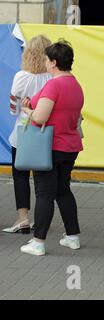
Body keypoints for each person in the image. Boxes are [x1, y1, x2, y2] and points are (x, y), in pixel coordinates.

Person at [19, 40, 84, 256]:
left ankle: (38, 241)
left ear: (54, 62)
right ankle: (72, 236)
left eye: (47, 59)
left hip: (50, 146)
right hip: (70, 145)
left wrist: (27, 110)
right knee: (63, 190)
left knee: (45, 193)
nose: (45, 62)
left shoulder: (53, 85)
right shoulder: (75, 84)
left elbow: (40, 117)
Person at [2, 35, 52, 235]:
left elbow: (13, 108)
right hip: (46, 131)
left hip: (22, 131)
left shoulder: (21, 76)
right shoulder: (52, 77)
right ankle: (43, 221)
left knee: (20, 175)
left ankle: (23, 218)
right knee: (45, 178)